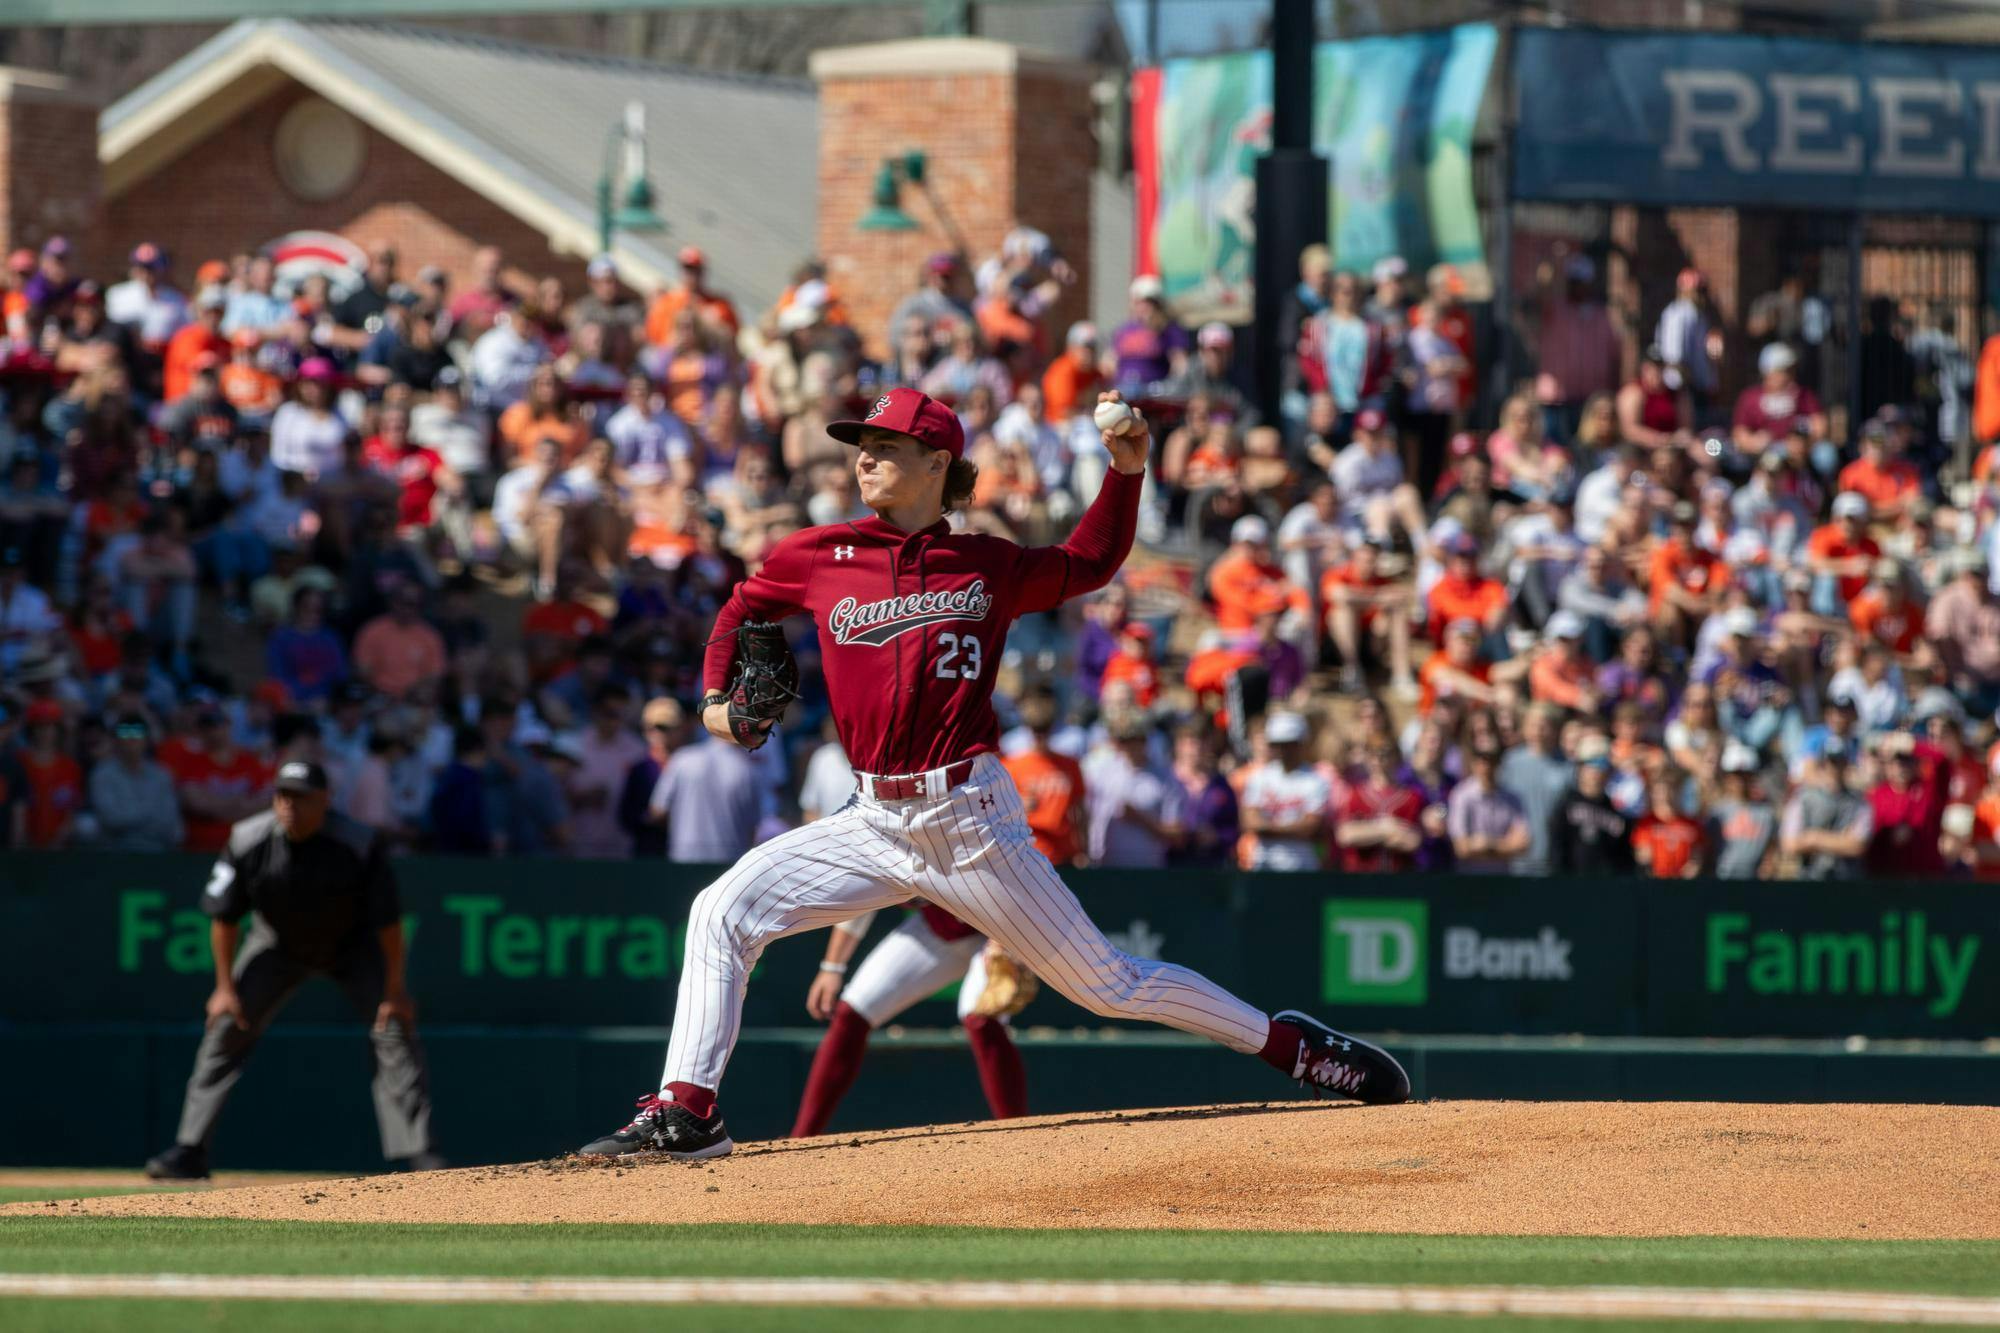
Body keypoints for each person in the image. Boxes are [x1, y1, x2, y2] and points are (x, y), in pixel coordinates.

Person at [576, 387, 1408, 1160]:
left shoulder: (986, 563)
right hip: (870, 819)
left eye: (884, 444)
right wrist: (715, 697)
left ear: (938, 462)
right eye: (859, 445)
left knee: (1108, 985)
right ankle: (690, 1108)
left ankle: (1291, 1046)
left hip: (970, 819)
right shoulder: (821, 554)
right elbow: (742, 608)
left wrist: (1126, 473)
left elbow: (1089, 563)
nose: (864, 457)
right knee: (720, 910)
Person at [143, 762, 440, 1180]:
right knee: (227, 1025)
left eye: (301, 797)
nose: (289, 805)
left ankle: (418, 1154)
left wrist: (395, 989)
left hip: (351, 946)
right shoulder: (248, 839)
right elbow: (224, 917)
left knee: (392, 1028)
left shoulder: (357, 842)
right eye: (283, 795)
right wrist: (224, 988)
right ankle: (190, 1150)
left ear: (325, 802)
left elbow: (388, 922)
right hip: (276, 943)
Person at [1238, 710, 1329, 871]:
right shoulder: (1259, 777)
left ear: (1300, 744)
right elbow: (1250, 821)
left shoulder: (1315, 781)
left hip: (1302, 865)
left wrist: (1269, 828)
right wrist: (1291, 828)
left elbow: (1310, 826)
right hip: (1263, 863)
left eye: (1288, 744)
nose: (1282, 750)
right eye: (1277, 744)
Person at [89, 713, 183, 851]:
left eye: (138, 732)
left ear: (147, 739)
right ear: (115, 740)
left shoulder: (162, 775)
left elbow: (169, 823)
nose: (132, 738)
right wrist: (150, 816)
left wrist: (131, 819)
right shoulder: (102, 774)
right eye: (125, 732)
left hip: (158, 852)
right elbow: (110, 820)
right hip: (115, 852)